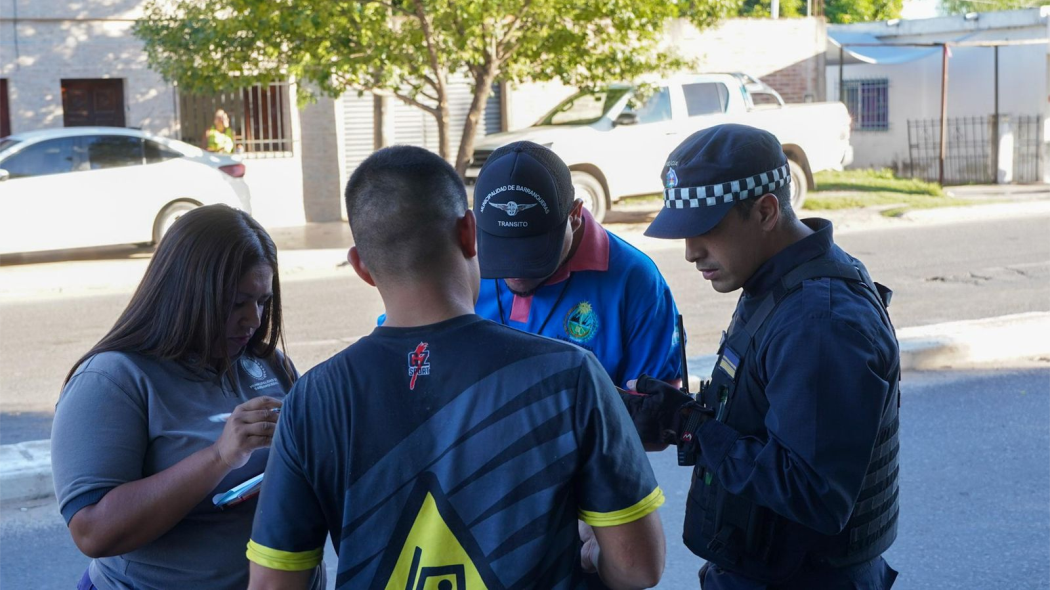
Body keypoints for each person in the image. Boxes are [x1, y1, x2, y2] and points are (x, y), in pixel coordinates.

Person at [246, 145, 666, 590]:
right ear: (470, 232)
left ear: (361, 267)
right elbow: (639, 567)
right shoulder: (572, 376)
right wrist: (593, 551)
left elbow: (273, 584)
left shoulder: (313, 399)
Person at [632, 124, 900, 589]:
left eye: (706, 229)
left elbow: (814, 493)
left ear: (766, 210)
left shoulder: (820, 321)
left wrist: (695, 428)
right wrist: (678, 420)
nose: (692, 251)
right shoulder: (777, 281)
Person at [51, 205, 319, 590]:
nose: (254, 320)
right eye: (236, 303)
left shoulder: (267, 364)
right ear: (187, 293)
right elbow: (93, 532)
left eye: (263, 301)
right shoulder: (113, 378)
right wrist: (219, 457)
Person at [472, 141, 683, 390]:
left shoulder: (636, 282)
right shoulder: (463, 263)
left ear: (574, 214)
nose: (515, 271)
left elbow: (656, 410)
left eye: (534, 252)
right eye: (500, 251)